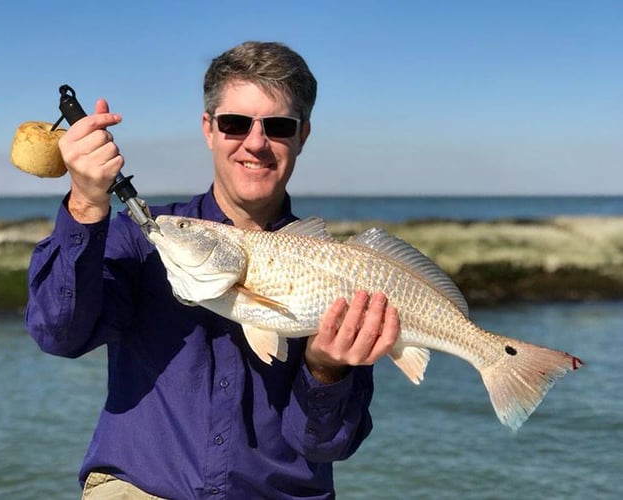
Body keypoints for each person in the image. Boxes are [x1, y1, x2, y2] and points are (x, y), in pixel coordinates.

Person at [26, 41, 400, 499]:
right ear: (209, 128)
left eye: (278, 126)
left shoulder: (333, 269)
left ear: (302, 135)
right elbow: (57, 334)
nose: (256, 143)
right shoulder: (141, 238)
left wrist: (326, 369)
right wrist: (85, 203)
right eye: (235, 123)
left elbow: (324, 444)